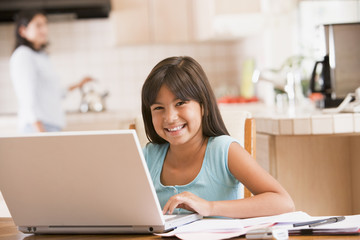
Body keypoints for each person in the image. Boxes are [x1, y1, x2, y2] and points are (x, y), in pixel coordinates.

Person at [141, 56, 295, 218]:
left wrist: (210, 207)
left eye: (180, 103)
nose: (170, 117)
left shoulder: (224, 151)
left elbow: (284, 202)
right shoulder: (147, 157)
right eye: (158, 107)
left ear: (203, 106)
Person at [9, 9, 92, 133]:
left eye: (45, 24)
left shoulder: (41, 56)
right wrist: (40, 131)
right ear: (23, 31)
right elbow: (26, 97)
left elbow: (55, 93)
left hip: (51, 127)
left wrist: (78, 84)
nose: (44, 30)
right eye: (38, 25)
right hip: (37, 128)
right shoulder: (23, 55)